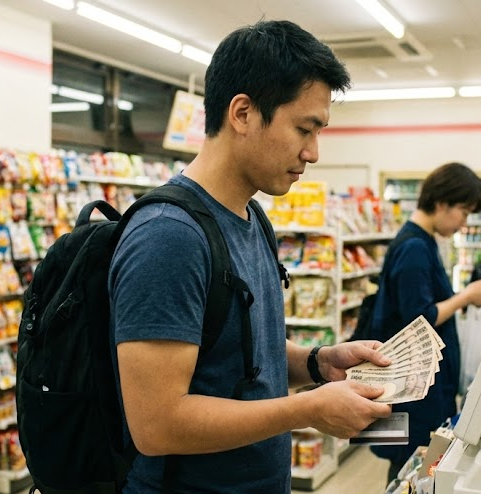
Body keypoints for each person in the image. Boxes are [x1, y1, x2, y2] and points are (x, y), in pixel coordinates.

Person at [108, 20, 394, 493]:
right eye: (305, 128)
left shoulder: (251, 218)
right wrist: (307, 409)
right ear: (242, 112)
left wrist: (319, 362)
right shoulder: (169, 237)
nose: (314, 152)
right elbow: (157, 424)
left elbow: (236, 353)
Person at [367, 162, 481, 481]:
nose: (464, 223)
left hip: (417, 390)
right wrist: (465, 297)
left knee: (413, 467)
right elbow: (420, 317)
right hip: (413, 393)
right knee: (409, 469)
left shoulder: (421, 242)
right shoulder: (414, 247)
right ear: (441, 203)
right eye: (464, 212)